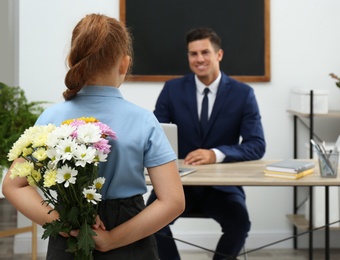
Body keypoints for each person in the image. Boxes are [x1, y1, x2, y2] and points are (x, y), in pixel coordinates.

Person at [2, 14, 185, 259]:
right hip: (130, 239)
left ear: (71, 60)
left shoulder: (51, 117)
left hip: (68, 237)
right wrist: (111, 240)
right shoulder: (143, 121)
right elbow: (173, 201)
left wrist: (63, 221)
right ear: (124, 64)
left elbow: (13, 185)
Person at [147, 27, 266, 260]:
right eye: (193, 54)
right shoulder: (172, 90)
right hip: (178, 185)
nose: (199, 59)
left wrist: (215, 154)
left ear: (218, 54)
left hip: (222, 189)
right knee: (150, 221)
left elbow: (257, 144)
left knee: (240, 223)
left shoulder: (243, 94)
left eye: (205, 52)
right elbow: (155, 134)